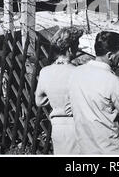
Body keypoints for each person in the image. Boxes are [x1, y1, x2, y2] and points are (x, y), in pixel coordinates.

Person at [35, 26, 84, 154]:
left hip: (57, 127)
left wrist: (56, 102)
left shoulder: (45, 72)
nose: (77, 48)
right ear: (69, 48)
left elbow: (39, 101)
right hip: (77, 126)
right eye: (76, 45)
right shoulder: (78, 72)